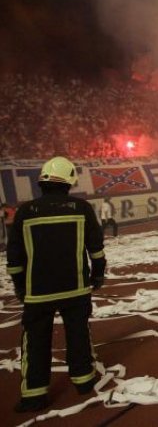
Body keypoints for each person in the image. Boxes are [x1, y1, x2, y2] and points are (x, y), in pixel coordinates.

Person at [6, 156, 106, 413]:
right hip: (76, 288)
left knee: (35, 341)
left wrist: (20, 285)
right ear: (69, 181)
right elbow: (96, 250)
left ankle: (33, 395)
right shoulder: (81, 208)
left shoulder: (25, 212)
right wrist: (97, 276)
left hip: (37, 292)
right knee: (78, 334)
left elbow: (15, 256)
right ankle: (84, 381)